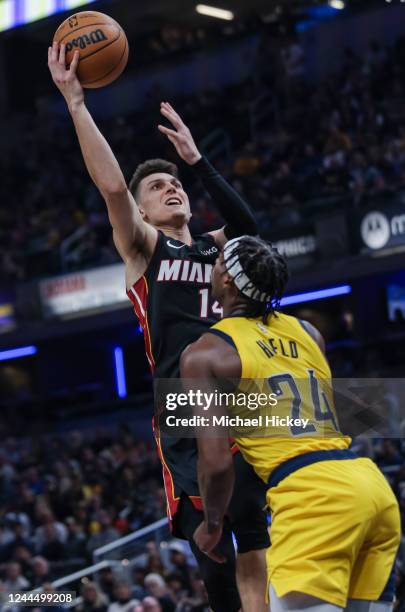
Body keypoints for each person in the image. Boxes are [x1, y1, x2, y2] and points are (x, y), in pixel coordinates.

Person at [48, 43, 269, 612]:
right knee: (218, 568)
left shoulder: (215, 246)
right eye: (159, 188)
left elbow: (251, 231)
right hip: (184, 406)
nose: (171, 190)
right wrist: (76, 102)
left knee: (257, 553)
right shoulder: (145, 247)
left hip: (241, 395)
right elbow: (115, 189)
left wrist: (197, 162)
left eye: (177, 187)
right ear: (144, 213)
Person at [180, 235, 401, 611]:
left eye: (218, 263)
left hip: (312, 498)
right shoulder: (309, 333)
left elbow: (216, 464)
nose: (212, 269)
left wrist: (213, 524)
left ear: (229, 280)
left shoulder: (206, 354)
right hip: (370, 488)